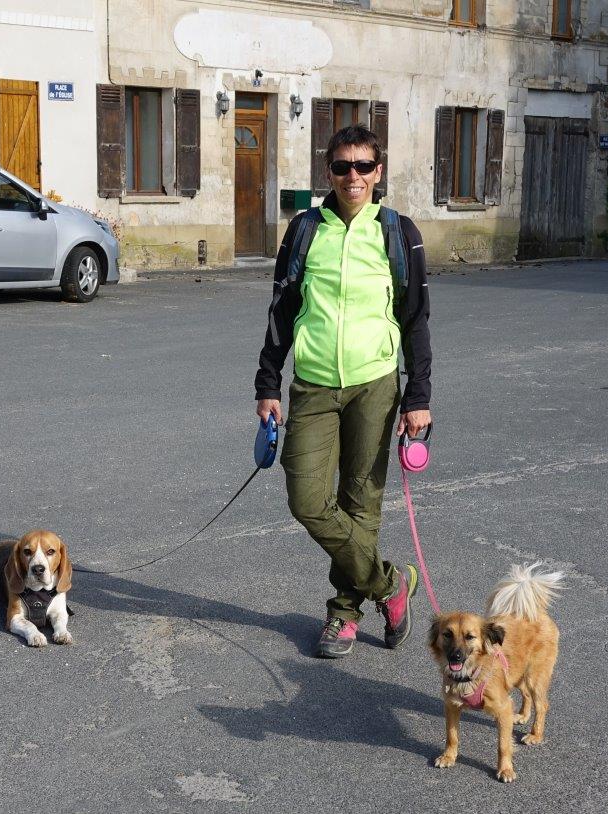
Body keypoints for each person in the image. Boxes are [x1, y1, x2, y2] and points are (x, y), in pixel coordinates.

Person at [255, 125, 432, 658]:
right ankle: (390, 583)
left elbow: (417, 319)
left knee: (361, 501)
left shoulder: (399, 233)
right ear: (327, 172)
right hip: (312, 383)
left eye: (363, 166)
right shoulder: (306, 231)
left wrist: (418, 395)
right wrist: (268, 381)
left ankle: (343, 614)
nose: (352, 176)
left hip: (376, 384)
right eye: (341, 167)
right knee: (307, 498)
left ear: (379, 173)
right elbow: (281, 311)